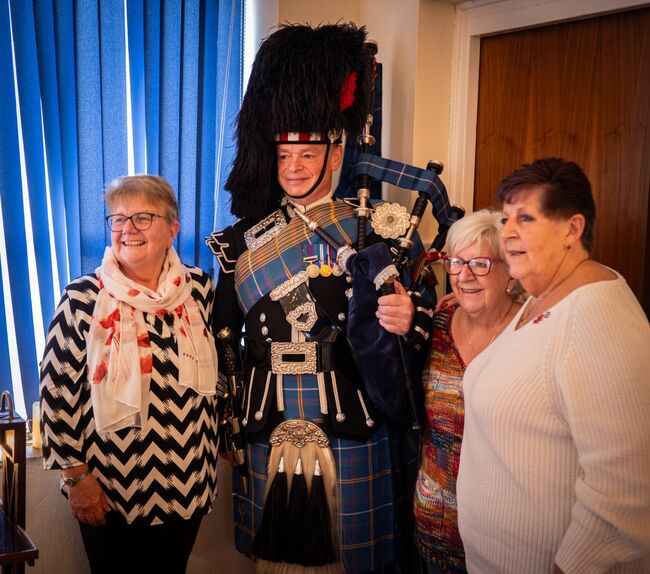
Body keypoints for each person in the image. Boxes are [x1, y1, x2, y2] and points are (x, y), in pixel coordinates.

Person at [206, 23, 435, 574]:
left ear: (336, 154)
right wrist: (229, 418)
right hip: (268, 412)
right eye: (285, 158)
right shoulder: (240, 242)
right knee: (276, 562)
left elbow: (427, 316)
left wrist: (410, 317)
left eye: (306, 156)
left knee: (353, 556)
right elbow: (224, 336)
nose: (293, 170)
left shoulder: (385, 229)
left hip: (350, 409)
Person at [456, 158, 650, 573]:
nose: (507, 231)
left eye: (525, 218)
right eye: (506, 217)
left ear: (572, 229)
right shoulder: (539, 298)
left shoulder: (600, 316)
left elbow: (628, 493)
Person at [39, 175, 219, 574]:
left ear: (172, 229)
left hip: (188, 481)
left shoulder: (200, 289)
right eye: (118, 219)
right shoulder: (83, 298)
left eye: (142, 217)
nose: (127, 229)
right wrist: (76, 479)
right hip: (112, 489)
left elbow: (216, 377)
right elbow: (56, 394)